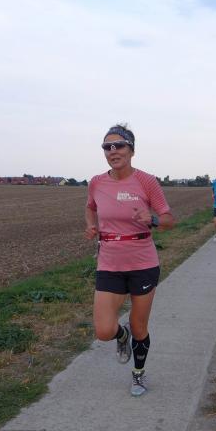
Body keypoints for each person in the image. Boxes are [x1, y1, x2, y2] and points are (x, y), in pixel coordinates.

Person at [85, 124, 175, 396]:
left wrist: (153, 219)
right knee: (103, 330)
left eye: (119, 145)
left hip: (142, 264)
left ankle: (138, 374)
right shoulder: (96, 182)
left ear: (131, 150)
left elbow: (169, 220)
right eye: (107, 147)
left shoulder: (146, 181)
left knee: (139, 326)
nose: (113, 151)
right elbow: (90, 207)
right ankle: (120, 336)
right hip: (109, 263)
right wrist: (91, 225)